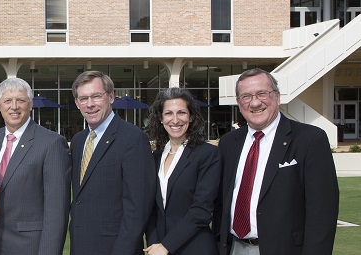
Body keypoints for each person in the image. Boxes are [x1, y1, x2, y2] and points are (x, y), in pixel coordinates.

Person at [213, 68, 339, 255]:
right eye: (246, 97)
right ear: (239, 104)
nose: (255, 103)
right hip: (233, 248)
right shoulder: (228, 143)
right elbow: (221, 202)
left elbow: (322, 212)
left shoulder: (309, 139)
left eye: (262, 93)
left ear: (277, 96)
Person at [68, 70, 155, 255]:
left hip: (115, 248)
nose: (90, 104)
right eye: (83, 99)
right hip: (81, 245)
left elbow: (137, 207)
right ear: (77, 103)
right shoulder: (77, 141)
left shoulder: (133, 138)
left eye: (96, 96)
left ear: (111, 97)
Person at [0, 78, 71, 255]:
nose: (14, 106)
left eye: (21, 100)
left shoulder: (51, 143)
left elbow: (56, 211)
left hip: (29, 246)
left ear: (30, 104)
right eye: (7, 101)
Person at [144, 87, 221, 255]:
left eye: (181, 113)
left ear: (191, 117)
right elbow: (150, 208)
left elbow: (201, 210)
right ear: (160, 118)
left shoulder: (208, 154)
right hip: (158, 249)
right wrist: (154, 244)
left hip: (195, 247)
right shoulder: (155, 156)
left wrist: (166, 246)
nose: (175, 120)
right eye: (169, 113)